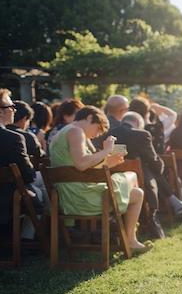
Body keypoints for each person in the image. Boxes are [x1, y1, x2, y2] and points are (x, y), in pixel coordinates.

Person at [48, 105, 149, 250]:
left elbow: (79, 167)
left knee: (137, 193)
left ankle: (131, 240)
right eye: (98, 129)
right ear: (89, 118)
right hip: (82, 198)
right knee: (132, 175)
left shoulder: (61, 133)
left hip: (68, 197)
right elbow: (82, 164)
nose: (97, 135)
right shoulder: (76, 132)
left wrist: (108, 161)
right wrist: (107, 149)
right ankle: (126, 236)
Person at [0, 89, 37, 228]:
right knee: (44, 189)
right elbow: (28, 175)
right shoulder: (12, 138)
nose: (14, 111)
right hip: (6, 201)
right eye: (11, 107)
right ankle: (32, 238)